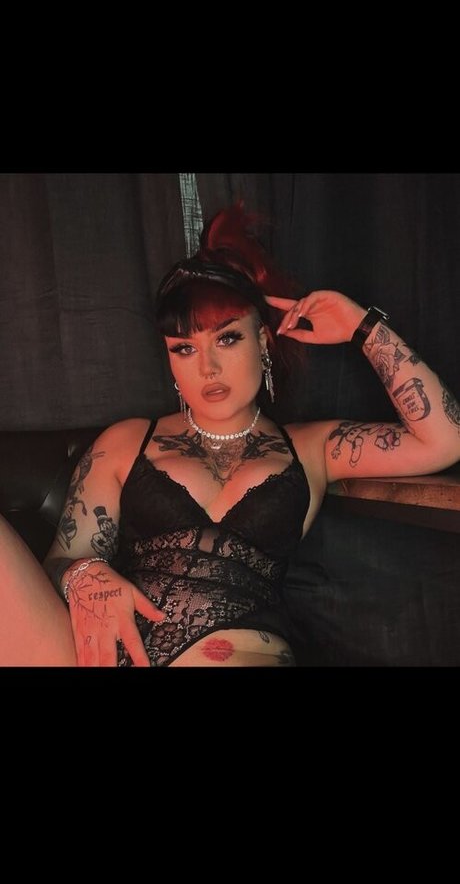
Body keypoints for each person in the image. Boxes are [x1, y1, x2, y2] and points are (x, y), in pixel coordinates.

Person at [1, 204, 459, 666]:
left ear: (263, 341)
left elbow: (444, 439)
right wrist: (84, 574)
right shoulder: (126, 442)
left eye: (227, 338)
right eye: (184, 348)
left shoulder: (311, 447)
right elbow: (60, 560)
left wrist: (364, 328)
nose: (208, 367)